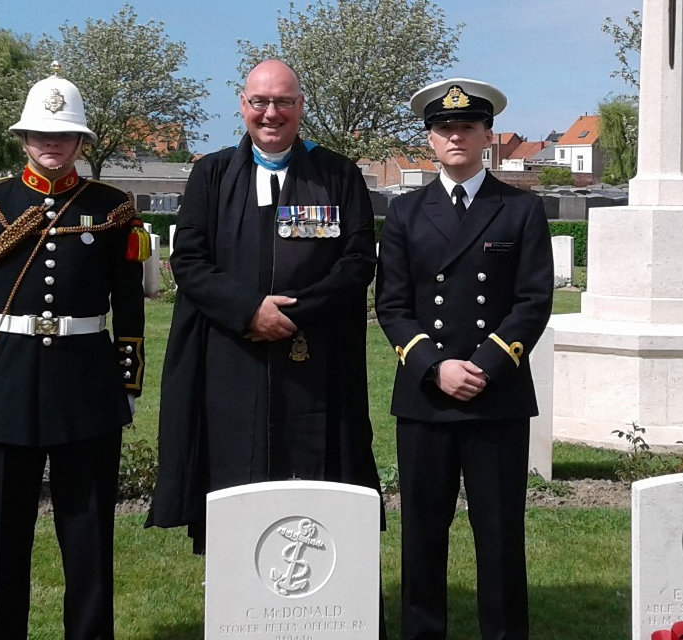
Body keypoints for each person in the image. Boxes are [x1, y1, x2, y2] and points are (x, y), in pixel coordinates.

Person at [0, 66, 146, 640]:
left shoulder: (111, 207)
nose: (50, 144)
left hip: (86, 386)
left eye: (62, 135)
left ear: (80, 141)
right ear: (24, 139)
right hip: (6, 382)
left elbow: (129, 308)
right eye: (39, 134)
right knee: (5, 531)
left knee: (88, 531)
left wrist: (125, 383)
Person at [147, 59, 382, 551]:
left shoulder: (338, 174)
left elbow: (357, 260)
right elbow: (188, 260)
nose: (270, 113)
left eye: (283, 102)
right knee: (233, 478)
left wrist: (293, 314)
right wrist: (250, 311)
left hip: (317, 363)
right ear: (243, 106)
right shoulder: (210, 174)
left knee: (318, 488)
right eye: (260, 102)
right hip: (233, 359)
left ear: (300, 107)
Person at [375, 78, 554, 640]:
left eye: (467, 127)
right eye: (445, 128)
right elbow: (392, 304)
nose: (456, 136)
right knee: (424, 531)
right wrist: (434, 365)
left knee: (499, 532)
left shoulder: (521, 208)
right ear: (430, 138)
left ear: (488, 136)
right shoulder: (404, 212)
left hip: (495, 395)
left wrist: (483, 366)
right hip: (426, 395)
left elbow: (533, 301)